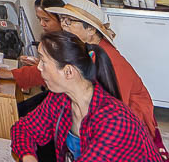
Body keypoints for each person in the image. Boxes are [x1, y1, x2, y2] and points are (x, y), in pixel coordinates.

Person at [11, 31, 161, 162]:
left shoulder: (114, 120)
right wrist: (28, 156)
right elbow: (23, 129)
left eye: (43, 61)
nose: (38, 67)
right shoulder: (60, 99)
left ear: (69, 72)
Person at [49, 0, 161, 150]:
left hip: (128, 129)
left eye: (70, 21)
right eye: (62, 20)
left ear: (91, 30)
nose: (63, 25)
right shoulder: (84, 49)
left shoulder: (111, 61)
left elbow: (117, 111)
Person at [15, 0, 67, 92]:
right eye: (39, 19)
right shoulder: (48, 40)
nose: (42, 24)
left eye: (46, 20)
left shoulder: (68, 44)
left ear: (61, 19)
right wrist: (38, 63)